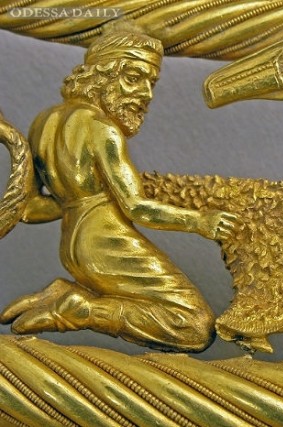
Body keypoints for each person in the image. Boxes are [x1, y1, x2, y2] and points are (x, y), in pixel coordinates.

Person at [0, 27, 236, 352]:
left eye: (151, 83)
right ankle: (82, 310)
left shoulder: (44, 122)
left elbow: (34, 208)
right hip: (106, 241)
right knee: (194, 325)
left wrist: (14, 150)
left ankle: (68, 298)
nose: (146, 94)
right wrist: (200, 221)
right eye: (134, 78)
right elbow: (135, 207)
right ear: (102, 73)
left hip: (73, 246)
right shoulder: (102, 129)